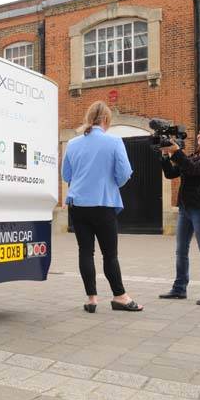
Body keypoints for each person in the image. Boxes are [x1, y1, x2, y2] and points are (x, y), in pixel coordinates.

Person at [62, 100, 143, 313]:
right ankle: (120, 297)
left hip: (78, 204)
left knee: (85, 252)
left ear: (88, 118)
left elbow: (66, 176)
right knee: (110, 254)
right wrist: (110, 182)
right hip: (104, 204)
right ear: (106, 120)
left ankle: (91, 299)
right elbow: (125, 174)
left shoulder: (72, 143)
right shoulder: (114, 142)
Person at [159, 123, 200, 305]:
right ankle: (179, 289)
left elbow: (194, 171)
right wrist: (165, 155)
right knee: (181, 250)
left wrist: (177, 151)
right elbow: (171, 174)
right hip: (185, 209)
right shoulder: (195, 156)